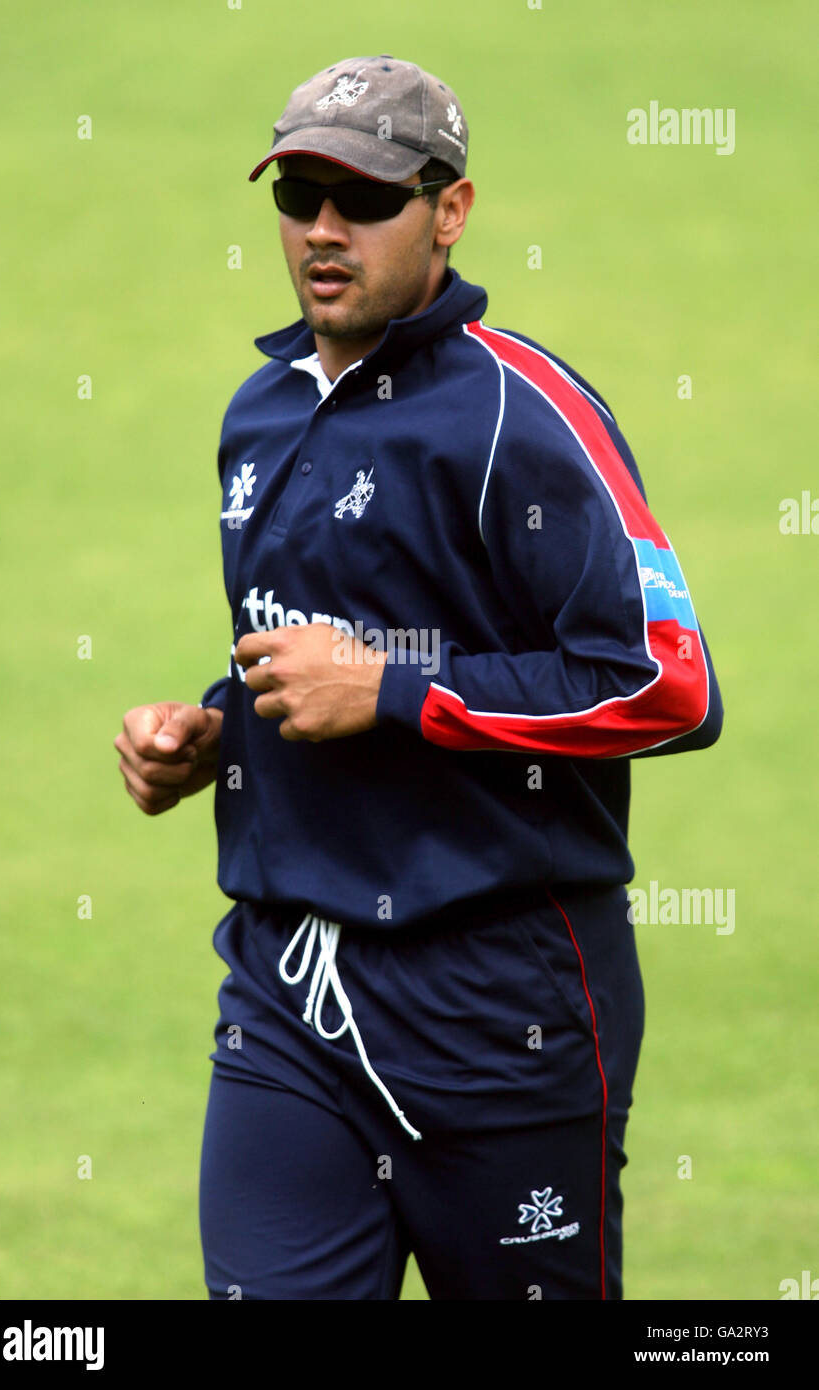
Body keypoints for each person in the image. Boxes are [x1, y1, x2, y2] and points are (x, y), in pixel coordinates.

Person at [114, 55, 723, 1300]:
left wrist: (392, 691)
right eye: (298, 192)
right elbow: (310, 649)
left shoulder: (523, 415)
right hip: (289, 992)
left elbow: (666, 686)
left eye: (367, 197)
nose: (323, 229)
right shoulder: (264, 413)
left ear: (449, 210)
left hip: (502, 1013)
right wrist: (213, 729)